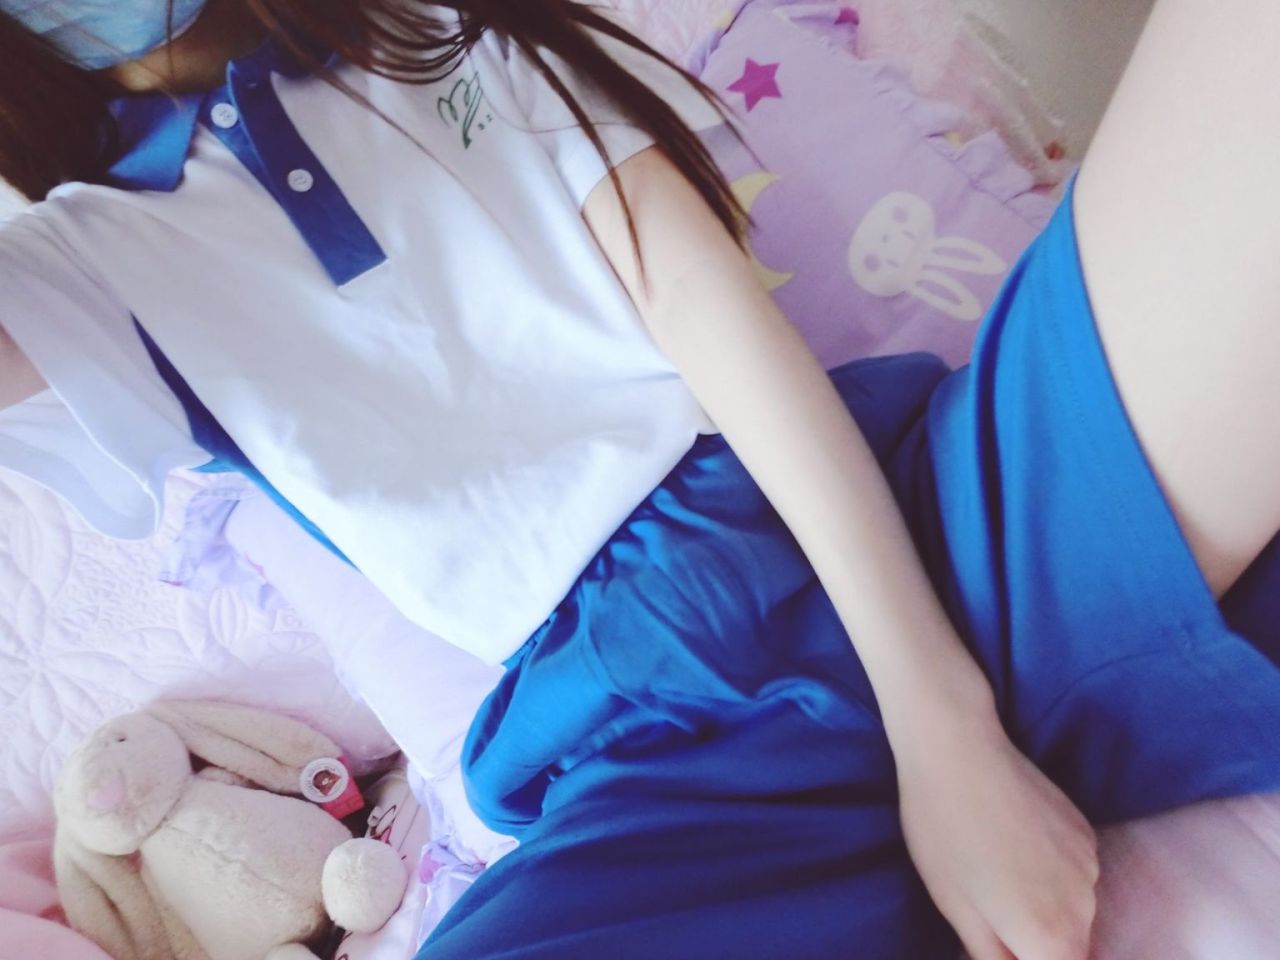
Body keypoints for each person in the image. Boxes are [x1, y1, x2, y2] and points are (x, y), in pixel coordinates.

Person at [0, 1, 1277, 957]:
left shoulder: (447, 36)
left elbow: (711, 325)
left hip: (908, 529)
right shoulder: (88, 264)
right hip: (656, 748)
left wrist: (943, 732)